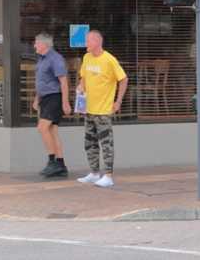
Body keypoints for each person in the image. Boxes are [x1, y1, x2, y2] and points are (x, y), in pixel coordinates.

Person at [76, 30, 128, 188]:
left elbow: (124, 79)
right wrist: (81, 87)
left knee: (106, 144)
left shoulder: (109, 60)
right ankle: (94, 173)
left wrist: (118, 102)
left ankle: (108, 176)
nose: (86, 44)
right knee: (89, 143)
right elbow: (83, 77)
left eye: (88, 41)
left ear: (97, 42)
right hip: (89, 109)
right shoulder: (87, 58)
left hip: (103, 110)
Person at [32, 32, 71, 178]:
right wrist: (37, 98)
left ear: (44, 44)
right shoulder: (41, 59)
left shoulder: (55, 59)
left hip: (54, 97)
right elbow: (41, 81)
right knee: (52, 130)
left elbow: (63, 82)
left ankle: (52, 161)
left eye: (36, 42)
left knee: (42, 128)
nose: (34, 45)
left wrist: (65, 102)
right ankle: (60, 164)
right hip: (45, 98)